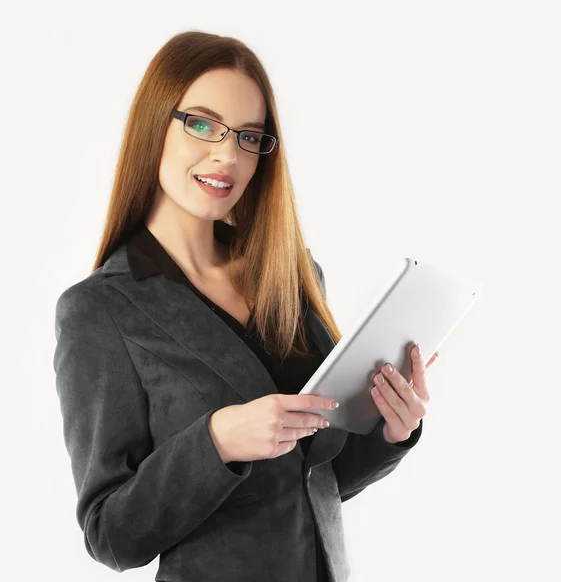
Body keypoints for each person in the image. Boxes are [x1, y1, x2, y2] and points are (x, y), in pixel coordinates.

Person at [53, 30, 427, 582]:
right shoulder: (101, 310)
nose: (227, 155)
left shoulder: (290, 275)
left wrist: (391, 431)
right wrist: (217, 443)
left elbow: (315, 478)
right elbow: (111, 534)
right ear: (156, 123)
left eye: (249, 137)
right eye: (202, 124)